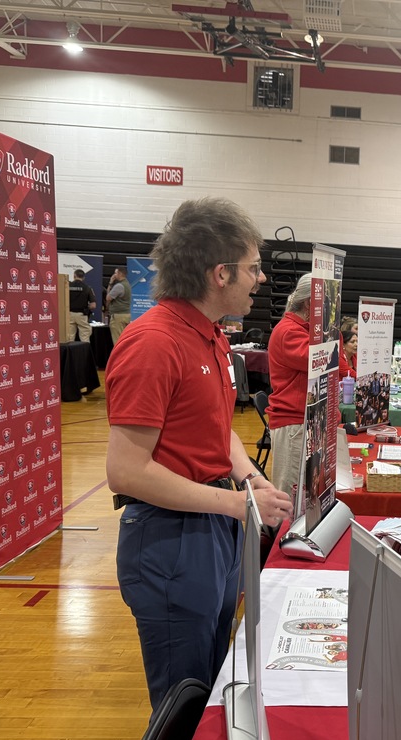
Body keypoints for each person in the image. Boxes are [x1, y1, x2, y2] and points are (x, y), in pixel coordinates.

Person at [105, 197, 293, 712]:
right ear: (219, 273)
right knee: (183, 705)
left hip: (213, 528)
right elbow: (125, 471)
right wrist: (236, 505)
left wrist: (249, 478)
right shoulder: (153, 343)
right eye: (253, 268)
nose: (259, 279)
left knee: (212, 690)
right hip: (170, 539)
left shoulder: (210, 336)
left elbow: (217, 431)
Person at [266, 274, 314, 502]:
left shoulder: (300, 331)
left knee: (300, 496)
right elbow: (327, 362)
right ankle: (278, 539)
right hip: (294, 423)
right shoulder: (290, 332)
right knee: (290, 497)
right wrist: (333, 331)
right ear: (309, 304)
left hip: (301, 421)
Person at [67, 268, 96, 342]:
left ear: (74, 276)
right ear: (83, 277)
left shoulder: (67, 286)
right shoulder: (87, 288)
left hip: (69, 314)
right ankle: (84, 353)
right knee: (85, 337)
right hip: (82, 315)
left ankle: (70, 353)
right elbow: (93, 305)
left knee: (70, 337)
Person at [106, 267, 132, 343]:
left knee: (117, 341)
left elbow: (108, 298)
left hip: (118, 317)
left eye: (115, 273)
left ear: (120, 274)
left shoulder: (119, 286)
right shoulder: (127, 284)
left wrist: (110, 282)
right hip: (125, 315)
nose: (114, 275)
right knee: (124, 340)